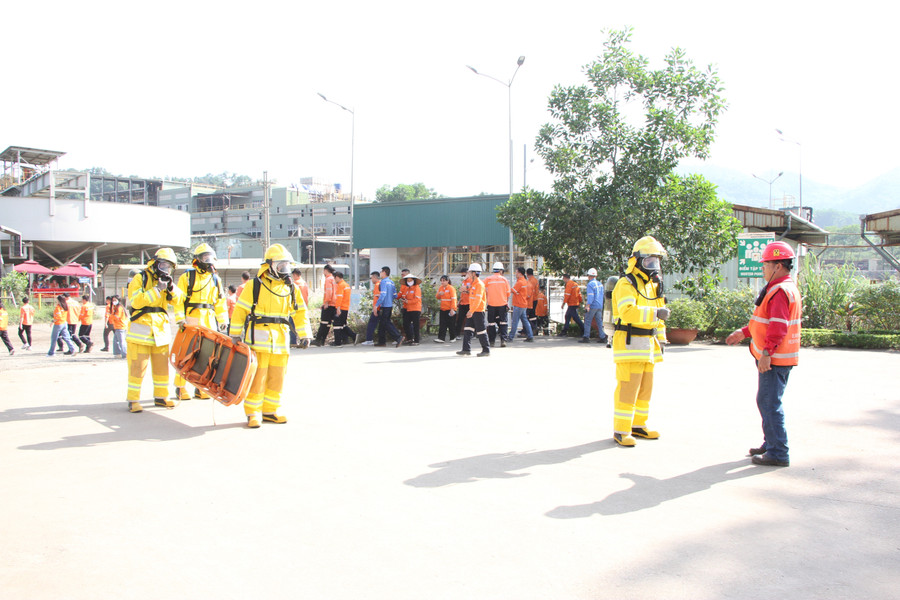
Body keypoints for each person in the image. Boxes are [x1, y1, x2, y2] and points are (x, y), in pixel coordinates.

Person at [726, 241, 801, 467]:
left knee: (769, 402)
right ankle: (771, 444)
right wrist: (744, 332)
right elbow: (765, 322)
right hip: (779, 356)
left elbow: (778, 326)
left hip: (774, 358)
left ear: (778, 266)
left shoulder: (779, 291)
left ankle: (778, 452)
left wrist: (767, 353)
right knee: (767, 401)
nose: (763, 269)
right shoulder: (783, 287)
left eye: (765, 265)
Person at [230, 243, 312, 428]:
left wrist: (305, 334)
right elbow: (240, 311)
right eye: (280, 265)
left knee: (278, 376)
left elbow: (300, 313)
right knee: (258, 376)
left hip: (281, 342)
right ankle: (253, 413)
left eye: (286, 266)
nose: (285, 269)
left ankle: (270, 410)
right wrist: (235, 335)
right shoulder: (255, 285)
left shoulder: (291, 288)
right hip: (259, 342)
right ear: (269, 265)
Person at [610, 236, 669, 447]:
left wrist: (661, 339)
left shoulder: (653, 285)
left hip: (648, 347)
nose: (653, 266)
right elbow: (627, 312)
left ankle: (638, 426)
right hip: (630, 344)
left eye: (656, 261)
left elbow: (659, 318)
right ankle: (621, 430)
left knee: (645, 390)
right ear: (637, 260)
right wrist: (656, 312)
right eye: (649, 261)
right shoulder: (626, 284)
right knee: (628, 389)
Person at [125, 247, 184, 413]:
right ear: (155, 263)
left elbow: (179, 300)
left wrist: (171, 287)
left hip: (161, 332)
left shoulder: (166, 281)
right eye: (164, 265)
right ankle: (133, 400)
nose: (166, 269)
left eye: (169, 267)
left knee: (162, 368)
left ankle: (161, 397)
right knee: (138, 367)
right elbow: (136, 302)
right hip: (140, 333)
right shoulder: (140, 278)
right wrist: (157, 290)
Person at [173, 243, 227, 400]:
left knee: (207, 357)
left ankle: (200, 387)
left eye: (210, 257)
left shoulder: (215, 279)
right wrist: (180, 320)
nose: (208, 261)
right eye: (205, 257)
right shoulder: (187, 277)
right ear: (198, 260)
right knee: (187, 355)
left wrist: (223, 320)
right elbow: (178, 300)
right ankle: (180, 387)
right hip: (192, 319)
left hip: (209, 320)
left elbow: (220, 302)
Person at [457, 263, 490, 357]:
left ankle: (486, 350)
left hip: (478, 311)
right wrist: (465, 289)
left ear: (474, 273)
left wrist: (471, 311)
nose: (468, 273)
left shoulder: (479, 284)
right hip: (473, 310)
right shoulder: (473, 283)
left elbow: (478, 299)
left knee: (481, 331)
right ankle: (466, 349)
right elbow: (472, 292)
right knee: (468, 329)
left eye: (470, 272)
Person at [375, 266, 404, 348]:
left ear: (384, 272)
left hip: (384, 306)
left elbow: (383, 294)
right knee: (382, 324)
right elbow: (395, 295)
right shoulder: (391, 282)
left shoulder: (383, 282)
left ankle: (398, 337)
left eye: (381, 272)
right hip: (389, 305)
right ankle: (381, 341)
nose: (380, 274)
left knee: (386, 322)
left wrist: (377, 304)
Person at [484, 262, 511, 347]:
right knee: (503, 323)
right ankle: (503, 340)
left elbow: (480, 287)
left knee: (491, 323)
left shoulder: (488, 279)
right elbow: (508, 293)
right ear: (501, 271)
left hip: (491, 304)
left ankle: (492, 341)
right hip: (502, 304)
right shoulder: (504, 280)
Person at [581, 268, 609, 344]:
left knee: (587, 321)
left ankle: (586, 337)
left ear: (589, 276)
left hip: (593, 305)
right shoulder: (600, 284)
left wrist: (587, 305)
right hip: (599, 305)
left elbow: (591, 296)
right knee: (599, 322)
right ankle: (603, 337)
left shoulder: (590, 284)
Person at [507, 267, 535, 343]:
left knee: (515, 321)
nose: (515, 274)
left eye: (516, 272)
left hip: (519, 304)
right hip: (523, 304)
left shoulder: (520, 282)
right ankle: (530, 336)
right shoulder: (525, 281)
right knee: (525, 321)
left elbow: (512, 290)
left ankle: (510, 337)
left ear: (519, 273)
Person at [312, 264, 337, 347]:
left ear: (326, 270)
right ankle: (321, 340)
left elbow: (329, 292)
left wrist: (326, 302)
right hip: (334, 303)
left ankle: (319, 340)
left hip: (329, 304)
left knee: (324, 322)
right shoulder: (334, 278)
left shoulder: (328, 279)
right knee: (329, 323)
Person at [331, 271, 357, 346]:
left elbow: (339, 298)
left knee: (337, 325)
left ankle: (338, 342)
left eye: (334, 278)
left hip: (341, 307)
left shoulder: (340, 285)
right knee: (342, 325)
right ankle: (352, 336)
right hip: (345, 307)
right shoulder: (346, 285)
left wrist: (338, 308)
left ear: (337, 277)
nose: (334, 280)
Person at [399, 274, 423, 345]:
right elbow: (403, 296)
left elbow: (417, 299)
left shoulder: (417, 288)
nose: (409, 281)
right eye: (408, 280)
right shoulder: (406, 288)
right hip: (407, 309)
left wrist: (408, 301)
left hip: (415, 309)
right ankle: (409, 339)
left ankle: (416, 340)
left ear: (414, 281)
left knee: (416, 325)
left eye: (411, 280)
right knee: (406, 324)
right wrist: (404, 300)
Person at [435, 275, 458, 343]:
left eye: (444, 281)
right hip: (443, 309)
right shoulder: (440, 288)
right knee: (442, 324)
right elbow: (437, 297)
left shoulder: (451, 288)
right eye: (441, 281)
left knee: (451, 324)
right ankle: (441, 338)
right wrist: (439, 294)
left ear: (447, 281)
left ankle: (453, 337)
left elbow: (454, 299)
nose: (442, 282)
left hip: (450, 309)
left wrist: (452, 309)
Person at [361, 271, 381, 345]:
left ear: (375, 277)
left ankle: (369, 340)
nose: (371, 279)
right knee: (385, 324)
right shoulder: (379, 284)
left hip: (377, 308)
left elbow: (378, 297)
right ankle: (397, 337)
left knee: (371, 324)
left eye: (371, 278)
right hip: (379, 308)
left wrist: (375, 308)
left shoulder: (377, 285)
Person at [456, 267, 470, 340]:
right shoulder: (463, 282)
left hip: (469, 303)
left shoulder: (472, 281)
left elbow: (474, 292)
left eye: (464, 275)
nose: (463, 277)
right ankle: (457, 334)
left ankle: (473, 334)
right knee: (460, 319)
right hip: (462, 303)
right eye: (462, 276)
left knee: (471, 319)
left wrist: (467, 291)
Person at [526, 268, 540, 335]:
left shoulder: (530, 281)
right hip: (535, 299)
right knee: (532, 316)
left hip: (531, 300)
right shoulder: (535, 280)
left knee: (526, 316)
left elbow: (529, 292)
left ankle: (529, 329)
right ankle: (534, 328)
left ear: (527, 273)